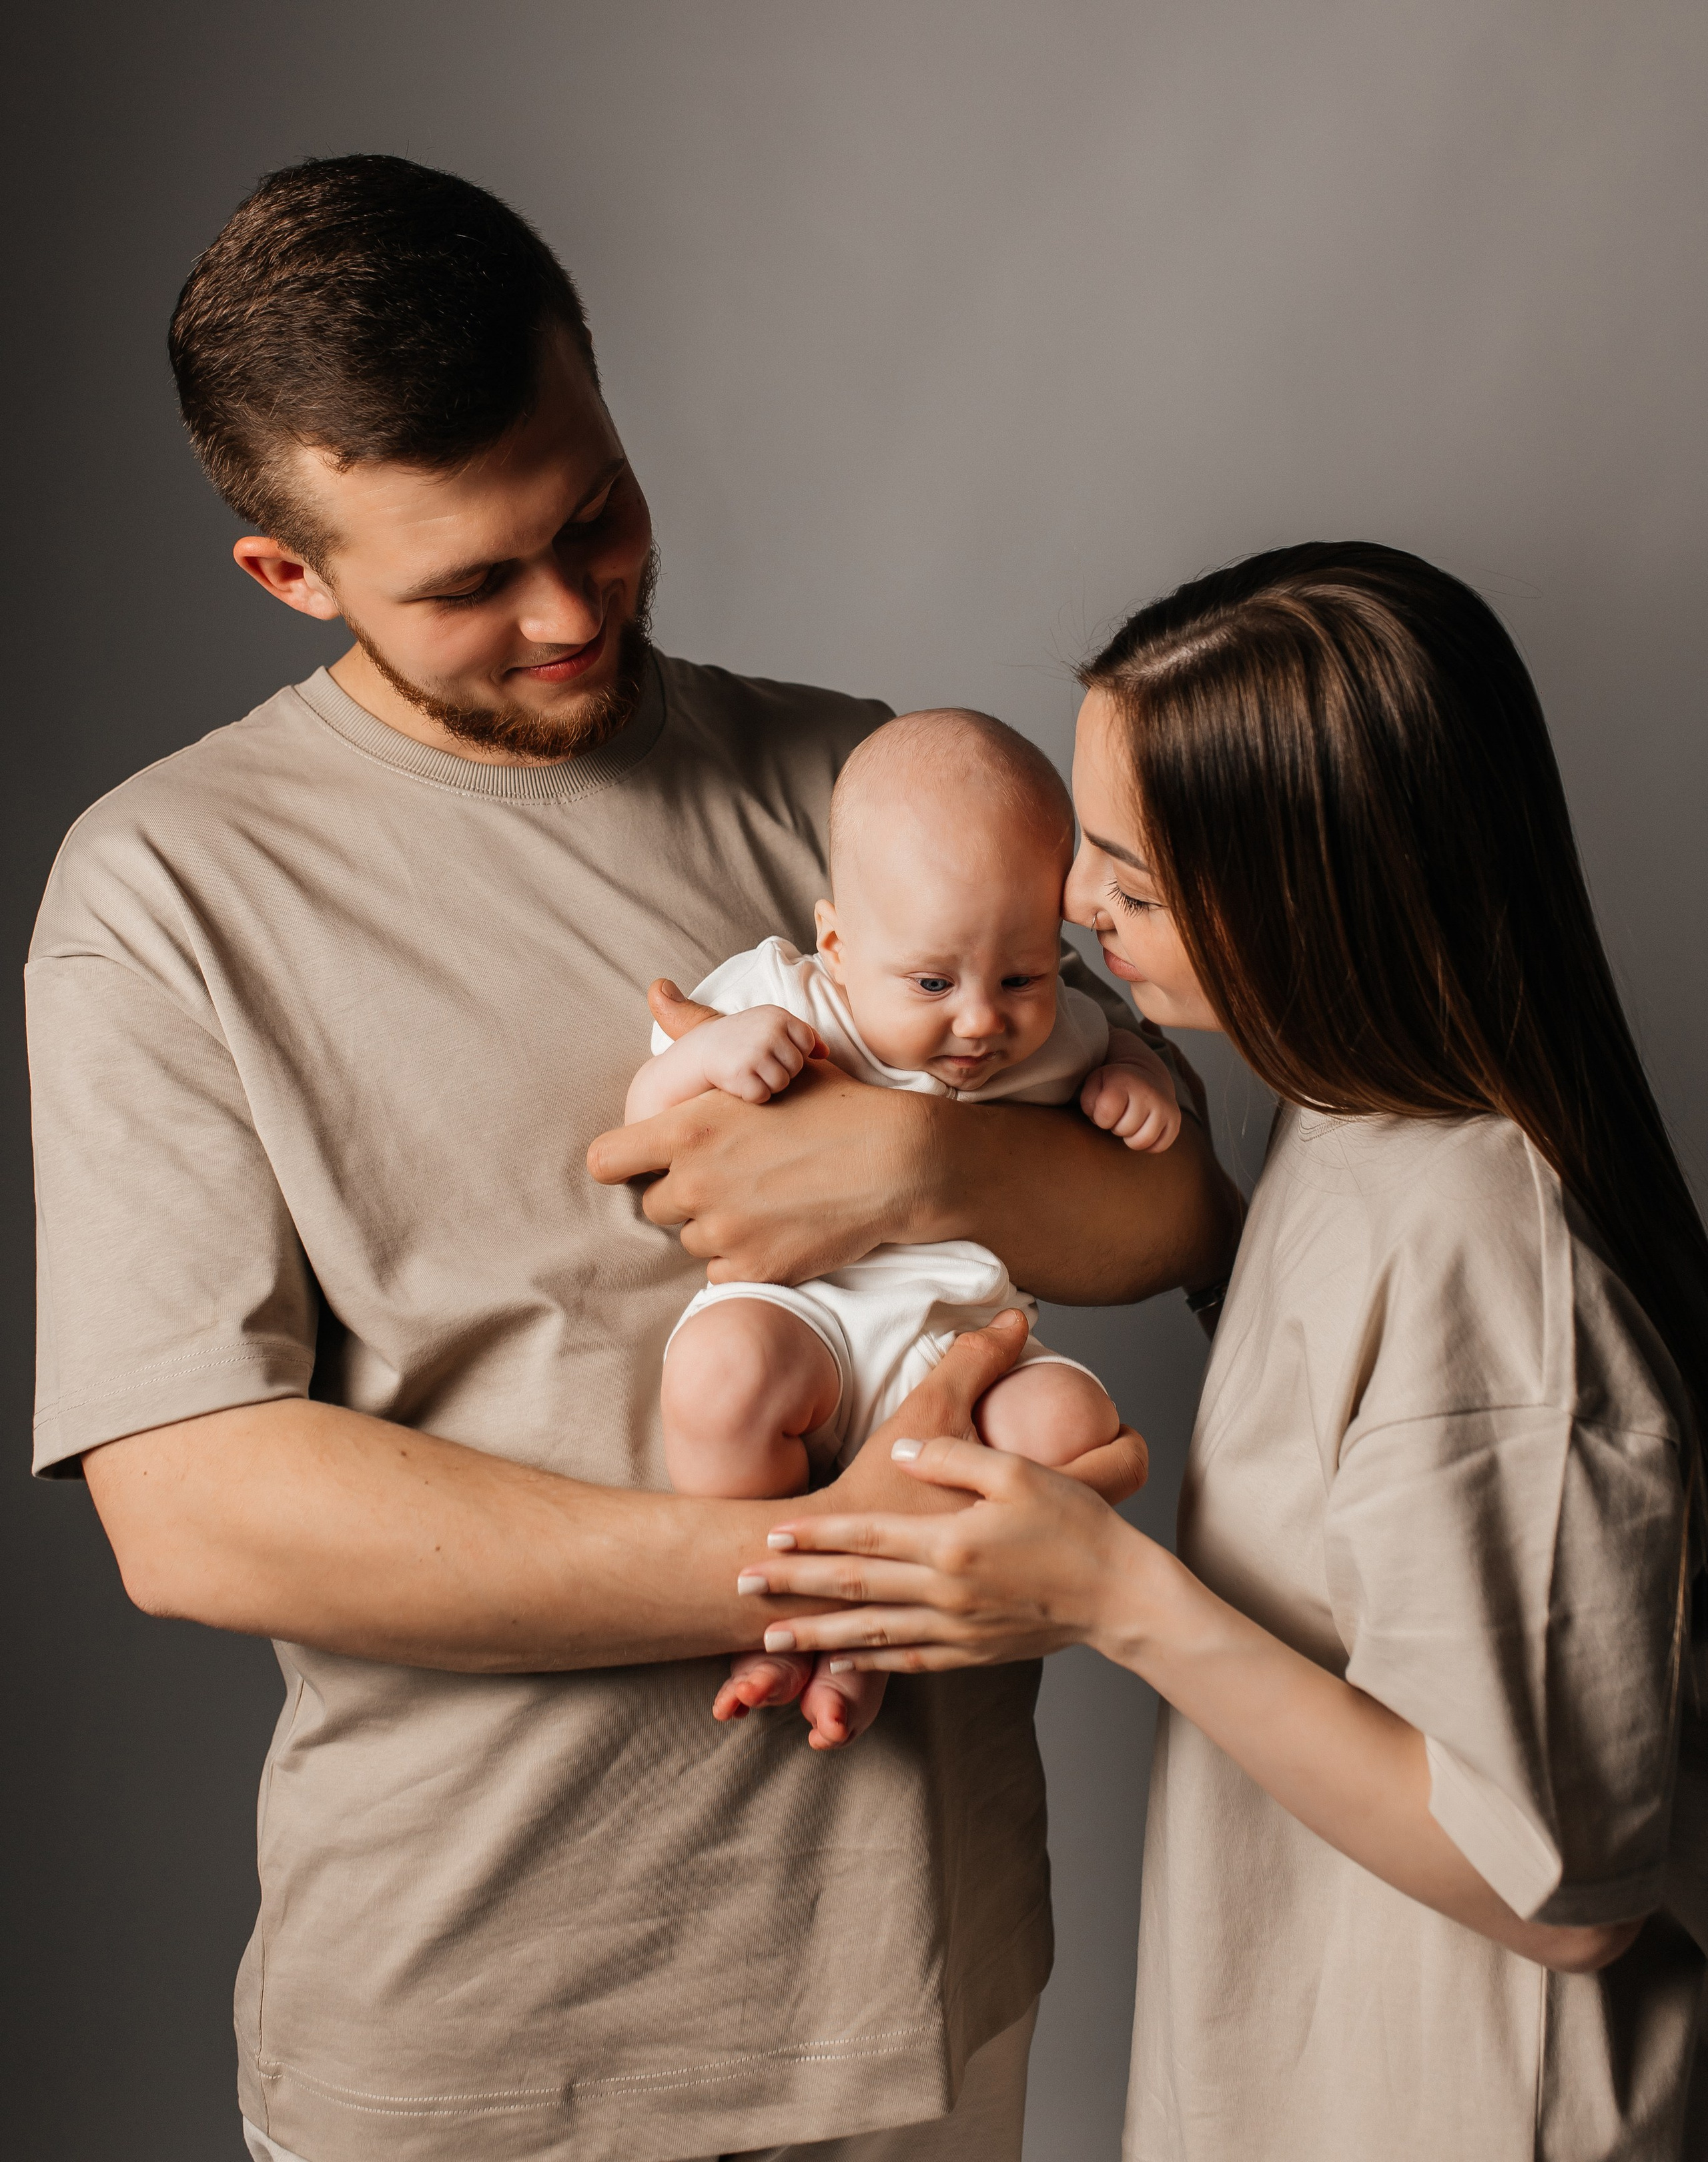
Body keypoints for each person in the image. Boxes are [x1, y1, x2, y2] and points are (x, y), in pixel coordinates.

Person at [27, 154, 1237, 2162]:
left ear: (599, 389)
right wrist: (845, 1567)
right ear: (289, 575)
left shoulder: (865, 793)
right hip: (485, 2019)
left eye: (592, 513)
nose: (571, 608)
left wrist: (905, 1174)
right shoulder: (164, 892)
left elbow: (1174, 1210)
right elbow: (197, 1509)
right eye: (471, 582)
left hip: (916, 1983)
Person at [741, 543, 1708, 2161]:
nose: (1071, 913)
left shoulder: (1489, 1263)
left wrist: (1111, 1597)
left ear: (1308, 889)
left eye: (1129, 880)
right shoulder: (1343, 1121)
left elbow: (1553, 1893)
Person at [634, 707, 1180, 1748]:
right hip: (807, 1321)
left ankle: (864, 1645)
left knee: (1070, 1422)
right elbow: (645, 1122)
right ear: (836, 942)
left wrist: (1133, 1081)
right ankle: (773, 1613)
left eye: (1020, 975)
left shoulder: (1056, 1033)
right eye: (933, 983)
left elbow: (1117, 1046)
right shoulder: (780, 999)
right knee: (719, 1374)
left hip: (964, 1345)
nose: (981, 1021)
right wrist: (709, 1058)